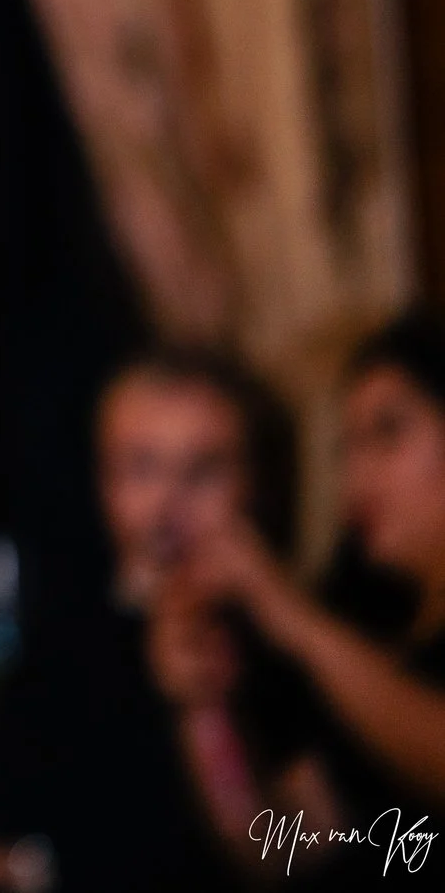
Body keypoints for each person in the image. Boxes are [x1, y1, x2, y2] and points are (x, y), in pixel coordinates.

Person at [0, 348, 307, 893]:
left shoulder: (277, 645)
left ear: (258, 485)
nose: (167, 504)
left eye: (203, 470)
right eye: (141, 467)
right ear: (102, 481)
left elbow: (276, 856)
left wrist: (26, 869)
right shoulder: (71, 617)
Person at [169, 309, 445, 853]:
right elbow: (280, 849)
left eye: (387, 432)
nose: (357, 475)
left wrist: (287, 611)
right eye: (346, 449)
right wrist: (200, 704)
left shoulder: (327, 640)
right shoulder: (365, 629)